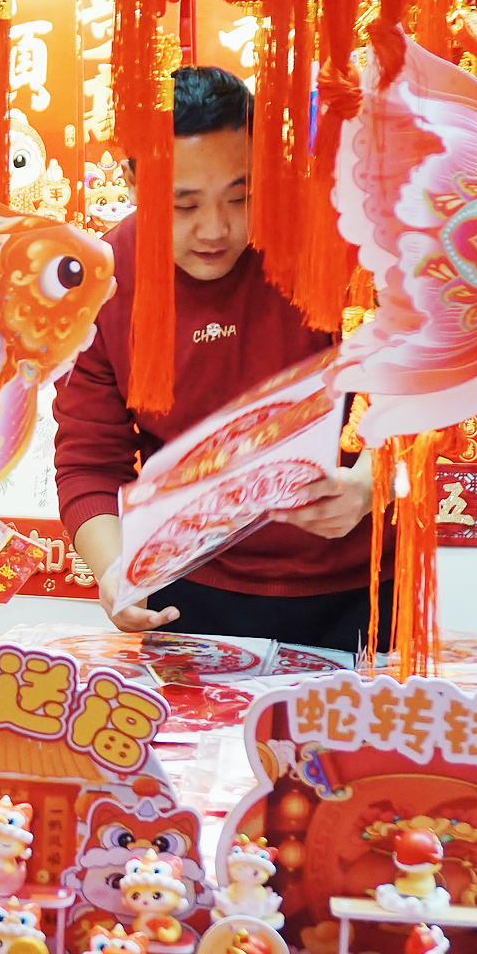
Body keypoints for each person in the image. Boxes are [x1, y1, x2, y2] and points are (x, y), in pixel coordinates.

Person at [53, 66, 387, 652]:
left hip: (356, 590)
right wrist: (115, 574)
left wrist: (368, 484)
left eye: (242, 196)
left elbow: (416, 396)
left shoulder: (333, 248)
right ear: (132, 180)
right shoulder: (110, 278)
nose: (216, 229)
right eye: (183, 206)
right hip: (192, 589)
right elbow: (88, 461)